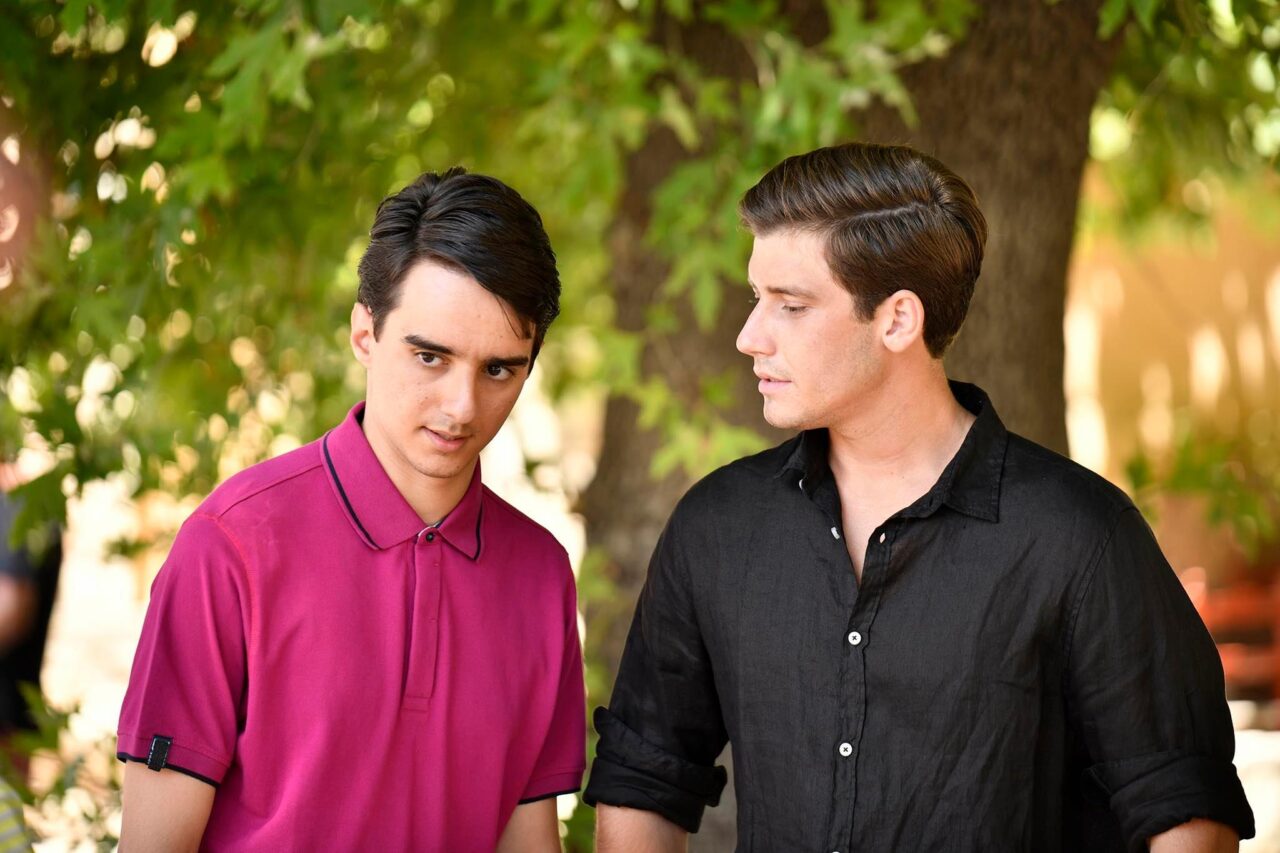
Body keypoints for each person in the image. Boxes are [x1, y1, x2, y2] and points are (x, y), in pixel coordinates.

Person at [583, 143, 1254, 851]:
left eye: (791, 305)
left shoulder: (1081, 536)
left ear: (898, 319)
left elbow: (1185, 809)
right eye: (758, 298)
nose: (750, 337)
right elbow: (643, 777)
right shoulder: (717, 526)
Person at [117, 168, 585, 851]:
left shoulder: (541, 574)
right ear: (365, 333)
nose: (462, 407)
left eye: (498, 369)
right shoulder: (230, 545)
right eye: (431, 356)